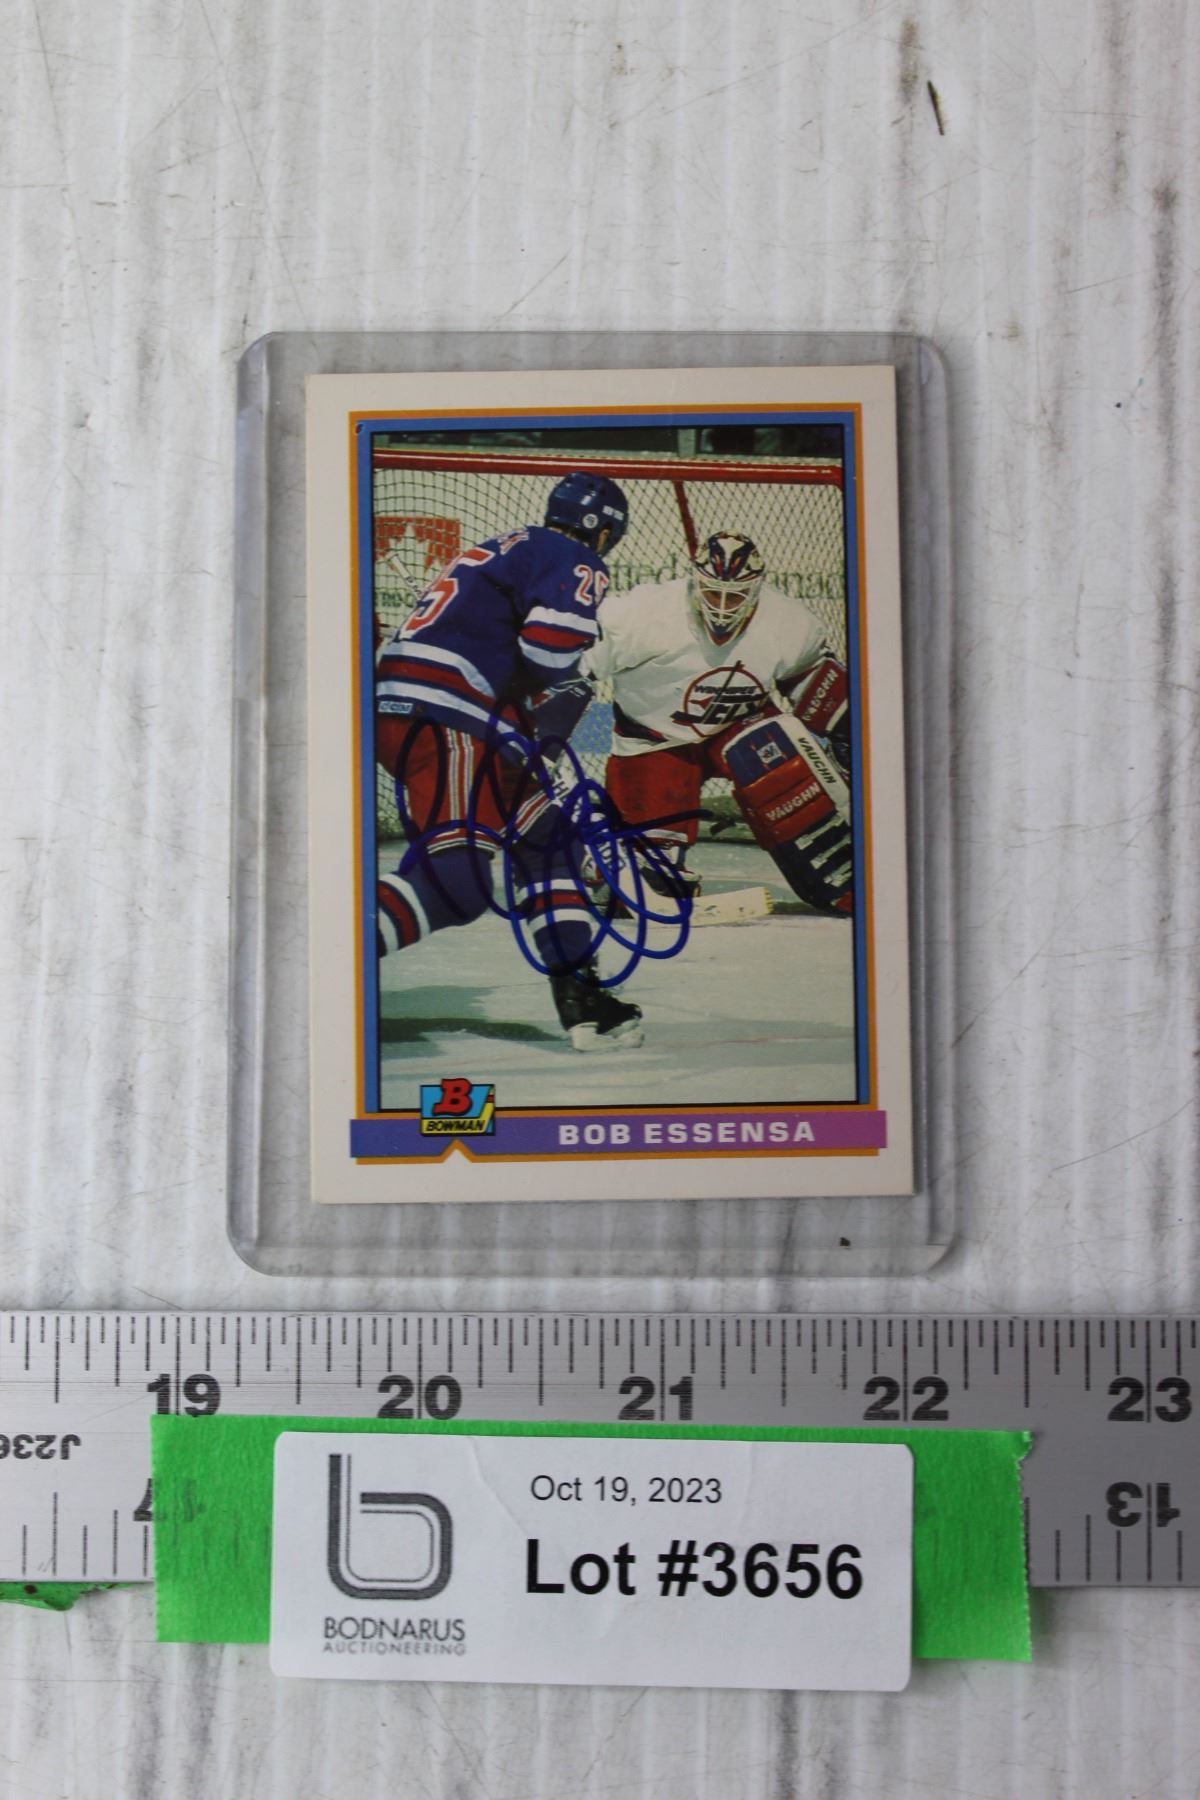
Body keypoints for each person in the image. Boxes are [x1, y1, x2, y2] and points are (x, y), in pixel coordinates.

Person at [375, 471, 646, 1052]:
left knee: (551, 841)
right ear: (603, 535)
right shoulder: (575, 557)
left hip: (450, 713)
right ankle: (325, 955)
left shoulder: (508, 546)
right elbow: (548, 650)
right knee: (458, 884)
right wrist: (565, 684)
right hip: (449, 716)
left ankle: (580, 997)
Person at [581, 531, 854, 915]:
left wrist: (848, 752)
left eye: (736, 596)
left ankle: (844, 872)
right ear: (695, 581)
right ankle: (628, 860)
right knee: (656, 883)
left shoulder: (787, 623)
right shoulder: (640, 614)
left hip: (739, 730)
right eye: (712, 593)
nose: (723, 607)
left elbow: (829, 697)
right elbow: (571, 672)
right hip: (656, 744)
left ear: (756, 590)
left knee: (781, 756)